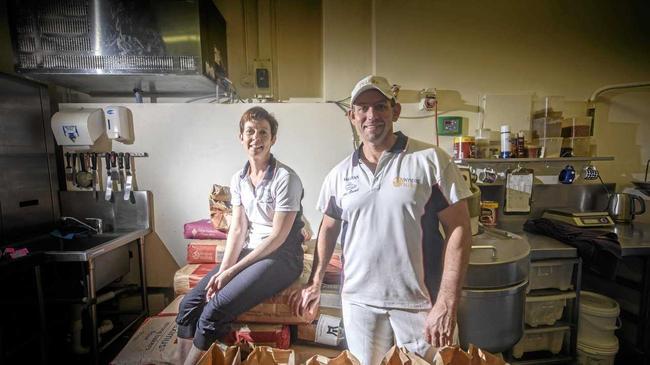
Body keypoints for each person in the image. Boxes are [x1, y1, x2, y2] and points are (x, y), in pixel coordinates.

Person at [291, 75, 473, 365]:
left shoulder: (430, 160)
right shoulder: (339, 175)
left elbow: (460, 227)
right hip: (359, 304)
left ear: (395, 111)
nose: (371, 115)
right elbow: (327, 227)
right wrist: (316, 281)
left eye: (380, 106)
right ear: (352, 116)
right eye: (362, 108)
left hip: (421, 305)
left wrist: (447, 301)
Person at [176, 106, 305, 365]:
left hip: (282, 256)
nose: (256, 138)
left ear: (273, 139)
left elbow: (278, 237)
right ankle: (178, 361)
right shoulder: (239, 179)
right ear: (241, 137)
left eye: (263, 132)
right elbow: (237, 229)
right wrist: (223, 271)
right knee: (189, 304)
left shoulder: (286, 178)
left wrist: (231, 273)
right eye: (250, 132)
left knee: (214, 309)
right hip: (251, 251)